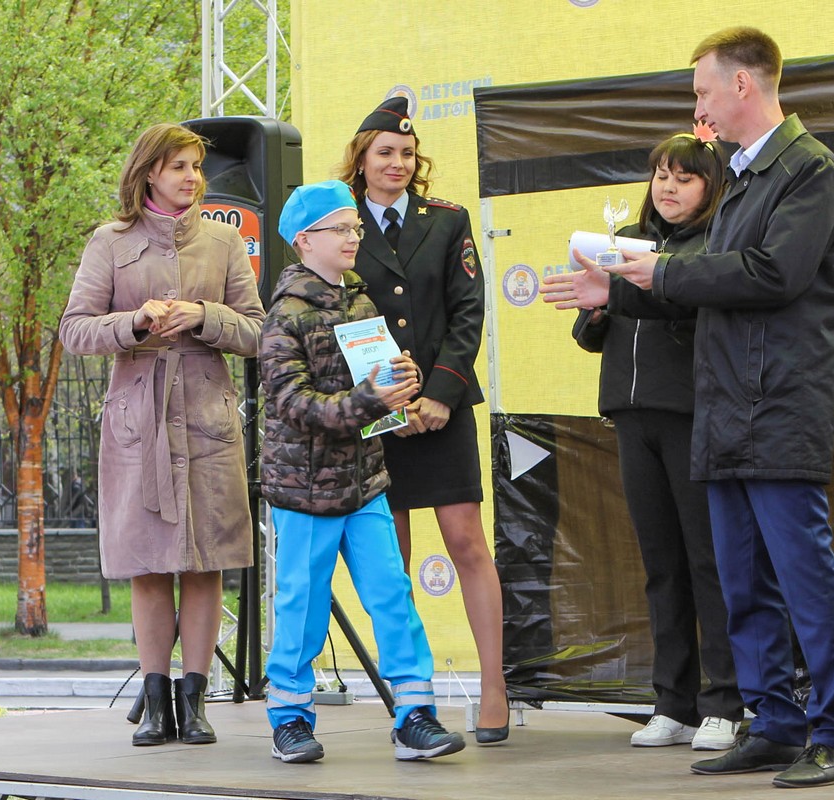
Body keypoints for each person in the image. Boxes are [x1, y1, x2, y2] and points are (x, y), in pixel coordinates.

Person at [541, 27, 834, 789]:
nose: (699, 106)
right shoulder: (743, 177)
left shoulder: (807, 169)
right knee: (741, 582)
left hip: (777, 404)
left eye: (703, 91)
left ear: (742, 85)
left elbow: (771, 273)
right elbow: (704, 288)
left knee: (803, 577)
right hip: (721, 406)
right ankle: (773, 725)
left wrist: (655, 271)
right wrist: (616, 291)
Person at [59, 122, 265, 747]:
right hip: (138, 421)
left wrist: (204, 316)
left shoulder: (223, 241)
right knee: (147, 564)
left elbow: (259, 331)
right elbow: (75, 330)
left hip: (207, 419)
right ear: (150, 171)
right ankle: (155, 703)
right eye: (180, 166)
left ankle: (194, 702)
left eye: (197, 167)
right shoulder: (110, 241)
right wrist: (135, 322)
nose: (192, 178)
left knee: (205, 562)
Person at [260, 179, 465, 764]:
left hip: (365, 483)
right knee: (302, 607)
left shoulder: (361, 302)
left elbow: (373, 391)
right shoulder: (284, 316)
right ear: (305, 240)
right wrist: (371, 400)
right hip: (304, 492)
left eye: (355, 226)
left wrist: (400, 391)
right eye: (341, 229)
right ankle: (290, 719)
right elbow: (294, 406)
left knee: (392, 595)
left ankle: (414, 716)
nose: (355, 237)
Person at [339, 97, 509, 744]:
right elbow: (337, 320)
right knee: (393, 559)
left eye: (407, 153)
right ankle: (414, 701)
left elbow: (469, 311)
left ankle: (494, 687)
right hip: (378, 412)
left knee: (467, 543)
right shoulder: (340, 224)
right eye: (385, 152)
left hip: (444, 408)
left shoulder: (447, 219)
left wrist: (439, 393)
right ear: (361, 158)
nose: (398, 163)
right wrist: (388, 401)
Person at [572, 133, 743, 752]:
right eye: (661, 176)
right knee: (661, 566)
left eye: (684, 178)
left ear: (711, 188)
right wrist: (595, 311)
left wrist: (635, 289)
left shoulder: (712, 250)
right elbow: (590, 335)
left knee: (708, 562)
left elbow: (699, 315)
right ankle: (674, 703)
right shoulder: (626, 243)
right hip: (630, 415)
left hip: (691, 416)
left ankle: (725, 703)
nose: (668, 188)